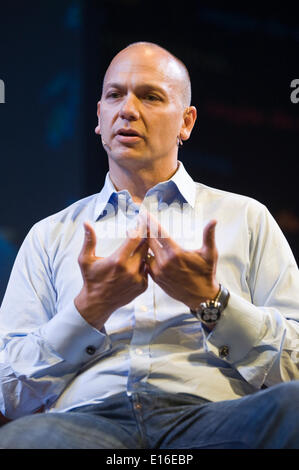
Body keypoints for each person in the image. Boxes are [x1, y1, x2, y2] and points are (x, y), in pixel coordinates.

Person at [0, 41, 299, 449]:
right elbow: (7, 391)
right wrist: (89, 310)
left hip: (215, 418)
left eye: (151, 96)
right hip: (85, 425)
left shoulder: (246, 218)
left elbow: (295, 366)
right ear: (99, 118)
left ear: (186, 122)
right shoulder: (49, 235)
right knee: (21, 441)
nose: (127, 109)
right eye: (114, 95)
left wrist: (210, 302)